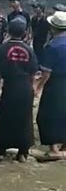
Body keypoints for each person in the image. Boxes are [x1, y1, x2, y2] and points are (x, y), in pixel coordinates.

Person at [0, 18, 38, 162]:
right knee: (25, 119)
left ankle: (0, 152)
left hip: (9, 87)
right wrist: (33, 89)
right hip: (25, 88)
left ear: (8, 31)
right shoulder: (29, 50)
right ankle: (22, 153)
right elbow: (33, 73)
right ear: (24, 33)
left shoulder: (0, 50)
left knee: (5, 118)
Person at [36, 10, 66, 160]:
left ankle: (54, 148)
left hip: (56, 83)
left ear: (53, 28)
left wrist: (39, 87)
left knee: (48, 115)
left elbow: (46, 73)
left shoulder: (52, 46)